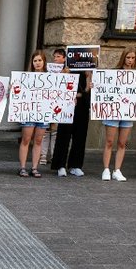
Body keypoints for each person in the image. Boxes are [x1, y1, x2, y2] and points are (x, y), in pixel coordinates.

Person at [99, 48, 136, 182]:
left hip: (128, 112)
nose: (130, 60)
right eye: (128, 57)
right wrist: (94, 84)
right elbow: (103, 85)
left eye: (133, 58)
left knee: (122, 143)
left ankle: (117, 170)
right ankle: (106, 169)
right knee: (109, 141)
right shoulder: (114, 72)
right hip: (113, 111)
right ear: (123, 58)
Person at [51, 48, 91, 178]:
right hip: (67, 105)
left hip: (82, 106)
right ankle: (60, 165)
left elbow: (87, 90)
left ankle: (75, 165)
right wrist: (64, 74)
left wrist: (89, 76)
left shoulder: (87, 71)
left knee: (80, 135)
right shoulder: (62, 69)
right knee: (64, 134)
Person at [18, 50, 49, 178]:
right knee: (26, 139)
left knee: (38, 140)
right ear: (32, 62)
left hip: (43, 113)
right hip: (29, 112)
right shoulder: (26, 77)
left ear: (44, 62)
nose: (37, 63)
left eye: (39, 60)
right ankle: (23, 167)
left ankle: (35, 167)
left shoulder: (50, 77)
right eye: (35, 60)